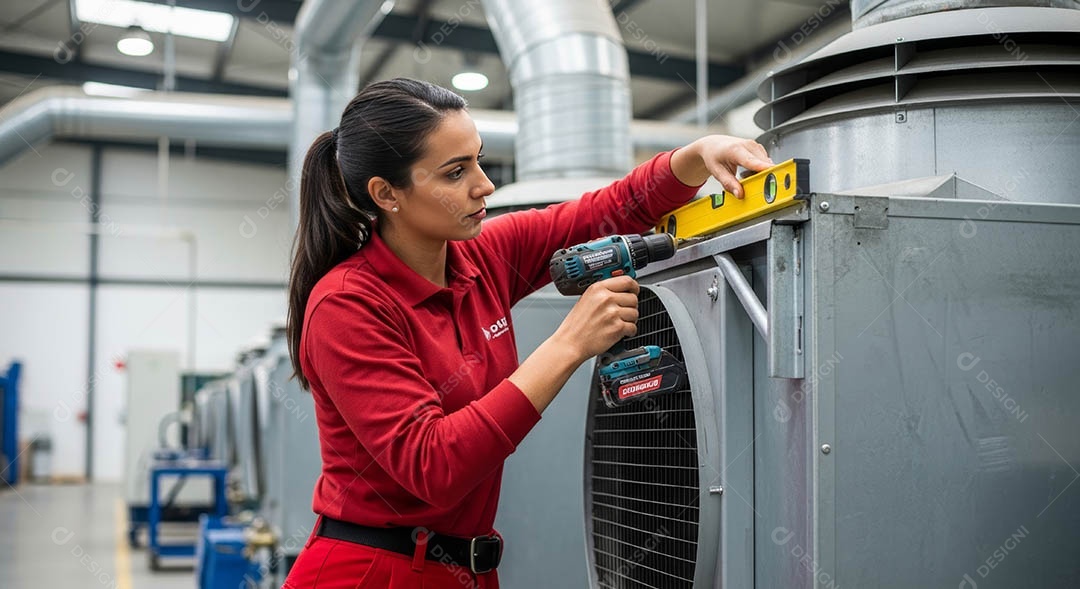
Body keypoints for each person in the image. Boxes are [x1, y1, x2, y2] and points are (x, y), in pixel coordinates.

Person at [283, 77, 772, 588]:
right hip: (371, 574)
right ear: (387, 194)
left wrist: (696, 155)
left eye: (477, 159)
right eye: (456, 172)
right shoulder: (349, 304)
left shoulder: (482, 258)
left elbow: (605, 212)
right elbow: (433, 466)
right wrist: (568, 345)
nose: (484, 184)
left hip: (466, 570)